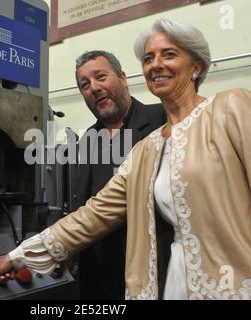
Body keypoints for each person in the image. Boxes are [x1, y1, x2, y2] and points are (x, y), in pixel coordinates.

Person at [0, 19, 251, 300]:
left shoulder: (232, 109)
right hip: (168, 285)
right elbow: (93, 215)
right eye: (148, 58)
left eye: (169, 54)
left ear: (196, 66)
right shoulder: (145, 150)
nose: (155, 65)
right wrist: (19, 256)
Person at [72, 51, 167, 299]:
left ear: (123, 77)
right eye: (85, 85)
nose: (94, 88)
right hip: (97, 280)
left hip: (151, 275)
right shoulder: (87, 140)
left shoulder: (162, 119)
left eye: (100, 77)